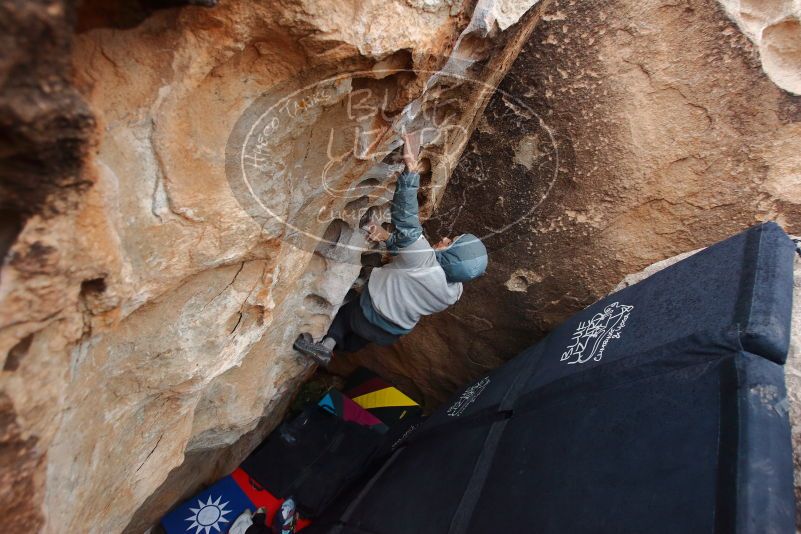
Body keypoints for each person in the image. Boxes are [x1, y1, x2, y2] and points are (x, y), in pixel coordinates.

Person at [293, 131, 488, 367]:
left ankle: (324, 347)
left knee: (344, 319)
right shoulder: (453, 293)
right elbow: (411, 263)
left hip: (369, 315)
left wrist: (411, 170)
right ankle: (338, 351)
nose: (445, 238)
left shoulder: (424, 261)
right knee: (356, 340)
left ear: (451, 256)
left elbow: (406, 219)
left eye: (450, 243)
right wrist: (386, 237)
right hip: (392, 333)